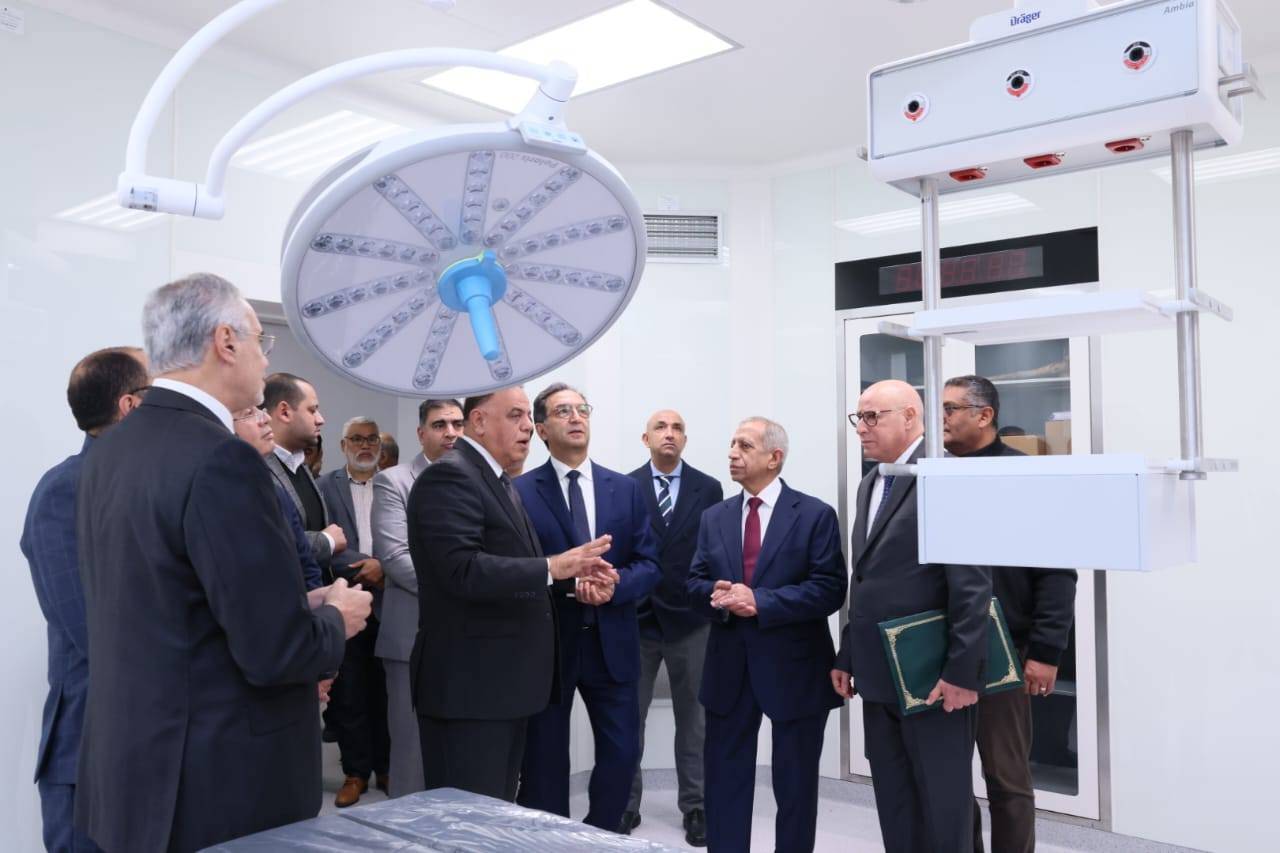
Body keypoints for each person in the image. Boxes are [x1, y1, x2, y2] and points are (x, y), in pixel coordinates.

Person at [73, 273, 371, 852]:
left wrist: (296, 602)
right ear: (226, 341)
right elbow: (275, 651)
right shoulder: (221, 460)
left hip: (137, 770)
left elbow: (172, 603)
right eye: (261, 340)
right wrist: (337, 616)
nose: (265, 358)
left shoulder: (111, 451)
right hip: (217, 783)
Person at [406, 386, 616, 802]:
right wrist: (553, 567)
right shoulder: (450, 476)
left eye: (526, 417)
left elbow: (510, 565)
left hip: (500, 687)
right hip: (470, 689)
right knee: (466, 819)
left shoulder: (496, 479)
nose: (528, 427)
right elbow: (462, 570)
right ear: (479, 421)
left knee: (494, 814)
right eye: (515, 415)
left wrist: (573, 578)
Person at [832, 379, 991, 853]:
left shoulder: (943, 476)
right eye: (858, 417)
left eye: (872, 417)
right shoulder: (872, 483)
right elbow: (865, 578)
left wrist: (962, 672)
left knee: (944, 806)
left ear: (910, 416)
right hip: (879, 675)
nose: (862, 428)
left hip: (933, 679)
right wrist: (848, 653)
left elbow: (971, 585)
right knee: (895, 800)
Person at [687, 417, 846, 853]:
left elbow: (829, 589)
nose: (732, 453)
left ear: (774, 457)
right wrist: (714, 594)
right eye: (731, 444)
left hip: (796, 669)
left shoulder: (814, 515)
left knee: (795, 787)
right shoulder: (714, 517)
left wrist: (761, 601)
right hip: (728, 668)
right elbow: (694, 583)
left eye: (744, 445)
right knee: (724, 782)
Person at [514, 384, 660, 831]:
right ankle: (551, 838)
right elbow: (516, 568)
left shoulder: (626, 489)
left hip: (612, 641)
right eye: (563, 411)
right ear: (541, 429)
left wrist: (615, 586)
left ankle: (601, 833)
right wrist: (567, 582)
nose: (576, 417)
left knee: (622, 752)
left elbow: (650, 563)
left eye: (582, 409)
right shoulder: (520, 492)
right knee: (544, 758)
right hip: (548, 645)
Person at [21, 346, 149, 853]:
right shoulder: (65, 490)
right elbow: (92, 632)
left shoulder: (155, 486)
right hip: (92, 754)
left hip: (155, 752)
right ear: (130, 405)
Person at [943, 375, 1078, 853]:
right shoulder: (933, 475)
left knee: (1007, 778)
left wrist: (1045, 651)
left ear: (985, 415)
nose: (941, 418)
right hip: (942, 652)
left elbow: (1057, 572)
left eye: (951, 408)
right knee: (947, 779)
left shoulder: (1025, 476)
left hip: (1005, 653)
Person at [622, 409, 723, 845]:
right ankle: (625, 803)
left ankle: (696, 806)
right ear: (645, 439)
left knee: (695, 720)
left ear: (685, 439)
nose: (669, 433)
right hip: (638, 620)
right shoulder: (626, 486)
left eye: (677, 427)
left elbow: (715, 549)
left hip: (692, 619)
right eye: (660, 427)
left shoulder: (708, 488)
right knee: (629, 718)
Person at [372, 398, 464, 798]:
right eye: (440, 424)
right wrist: (465, 589)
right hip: (411, 636)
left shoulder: (476, 480)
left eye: (458, 423)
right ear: (421, 432)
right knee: (412, 753)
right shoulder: (394, 481)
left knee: (460, 750)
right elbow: (395, 558)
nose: (451, 432)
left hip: (467, 639)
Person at [318, 417, 390, 807]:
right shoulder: (324, 487)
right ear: (343, 444)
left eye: (372, 439)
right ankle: (355, 772)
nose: (365, 445)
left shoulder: (395, 484)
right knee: (349, 693)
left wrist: (386, 567)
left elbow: (409, 539)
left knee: (388, 691)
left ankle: (387, 766)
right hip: (345, 600)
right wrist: (370, 565)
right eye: (357, 439)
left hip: (391, 601)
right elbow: (325, 542)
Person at [263, 372, 347, 575]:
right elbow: (270, 541)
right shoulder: (258, 470)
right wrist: (326, 541)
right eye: (312, 410)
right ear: (285, 412)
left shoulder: (300, 465)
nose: (321, 420)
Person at [232, 405, 324, 591]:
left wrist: (323, 600)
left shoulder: (279, 494)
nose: (266, 418)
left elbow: (307, 567)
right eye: (249, 413)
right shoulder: (217, 493)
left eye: (261, 411)